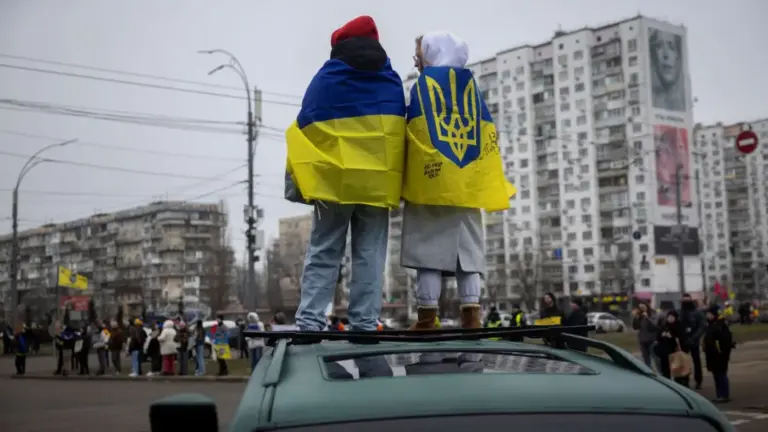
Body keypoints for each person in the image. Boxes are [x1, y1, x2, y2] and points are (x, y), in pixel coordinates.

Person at [289, 15, 407, 335]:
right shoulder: (390, 78)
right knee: (370, 252)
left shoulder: (327, 79)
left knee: (325, 249)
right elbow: (398, 130)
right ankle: (365, 323)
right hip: (377, 182)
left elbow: (308, 124)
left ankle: (311, 322)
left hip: (335, 180)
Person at [403, 32, 513, 330]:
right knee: (468, 253)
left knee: (428, 253)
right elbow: (485, 133)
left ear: (432, 54)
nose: (415, 59)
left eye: (419, 53)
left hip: (431, 183)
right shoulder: (470, 85)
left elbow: (413, 133)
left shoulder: (423, 85)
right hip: (466, 183)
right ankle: (472, 316)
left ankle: (427, 318)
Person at [704, 305, 733, 403]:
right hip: (713, 355)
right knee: (716, 375)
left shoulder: (720, 325)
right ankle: (719, 394)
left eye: (709, 314)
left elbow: (724, 341)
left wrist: (719, 352)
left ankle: (724, 395)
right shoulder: (712, 324)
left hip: (719, 356)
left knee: (721, 375)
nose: (707, 316)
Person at [679, 293, 706, 389]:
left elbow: (702, 326)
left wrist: (694, 337)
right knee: (683, 362)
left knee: (696, 361)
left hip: (694, 341)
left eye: (687, 301)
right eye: (684, 301)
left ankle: (698, 380)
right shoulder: (679, 313)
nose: (686, 303)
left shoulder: (697, 313)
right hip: (682, 341)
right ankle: (684, 380)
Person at [656, 310, 688, 385]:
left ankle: (679, 384)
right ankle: (667, 383)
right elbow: (658, 337)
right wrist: (662, 335)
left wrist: (672, 336)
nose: (670, 318)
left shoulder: (679, 326)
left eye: (672, 317)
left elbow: (682, 339)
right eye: (669, 317)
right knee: (665, 370)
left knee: (677, 371)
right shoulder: (665, 326)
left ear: (676, 318)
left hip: (675, 352)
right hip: (664, 352)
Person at [632, 303, 659, 368]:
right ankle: (649, 372)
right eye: (640, 307)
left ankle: (660, 373)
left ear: (647, 306)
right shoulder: (640, 316)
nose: (642, 309)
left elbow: (654, 326)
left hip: (652, 340)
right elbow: (635, 327)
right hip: (642, 340)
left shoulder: (653, 314)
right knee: (646, 359)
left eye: (643, 307)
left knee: (655, 357)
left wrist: (647, 318)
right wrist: (635, 318)